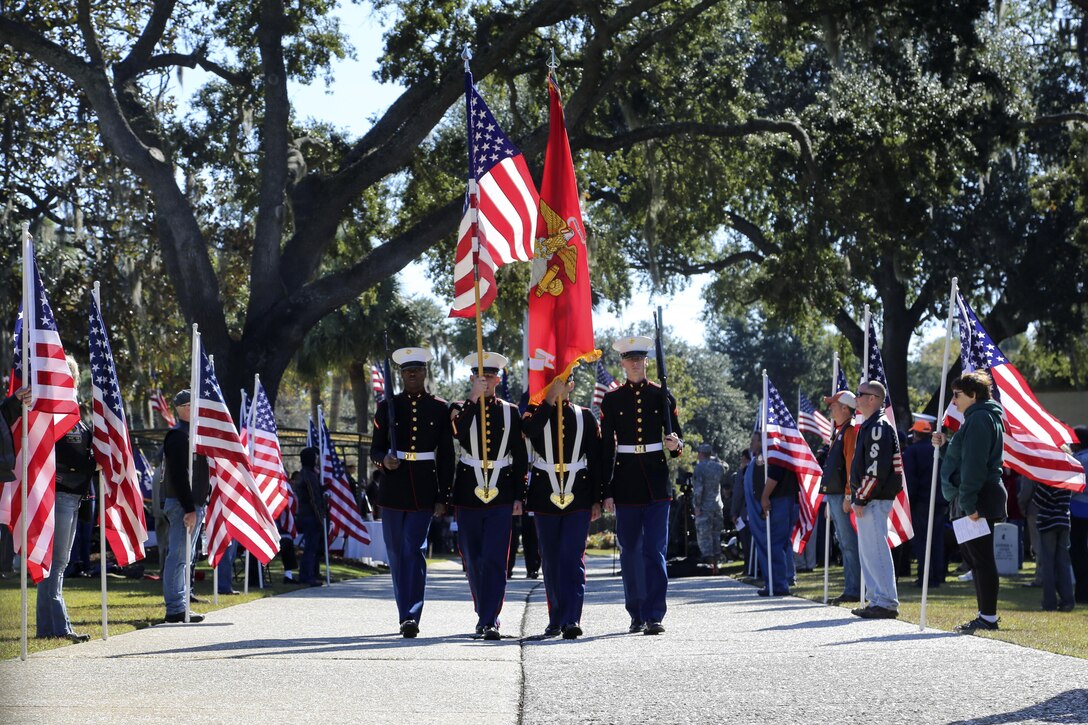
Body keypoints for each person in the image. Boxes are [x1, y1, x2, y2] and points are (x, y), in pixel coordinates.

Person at [370, 346, 454, 638]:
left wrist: (444, 496)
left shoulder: (439, 407)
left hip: (424, 488)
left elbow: (446, 456)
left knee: (413, 550)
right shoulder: (388, 406)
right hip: (394, 489)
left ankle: (411, 615)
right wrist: (384, 461)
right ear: (402, 375)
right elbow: (374, 448)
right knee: (396, 554)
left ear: (425, 372)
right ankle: (402, 611)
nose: (412, 375)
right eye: (407, 371)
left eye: (417, 370)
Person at [600, 335, 683, 635]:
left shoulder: (662, 396)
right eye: (629, 359)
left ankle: (654, 614)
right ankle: (636, 610)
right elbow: (607, 449)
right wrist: (605, 490)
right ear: (622, 363)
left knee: (654, 550)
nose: (635, 364)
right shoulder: (611, 400)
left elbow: (677, 444)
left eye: (639, 359)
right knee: (630, 551)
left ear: (647, 361)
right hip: (625, 482)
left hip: (657, 482)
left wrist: (675, 444)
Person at [451, 351, 528, 640]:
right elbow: (458, 433)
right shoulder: (459, 407)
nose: (486, 381)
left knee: (495, 558)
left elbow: (520, 457)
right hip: (469, 491)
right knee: (472, 558)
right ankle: (483, 610)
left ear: (499, 378)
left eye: (491, 376)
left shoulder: (511, 411)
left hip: (502, 491)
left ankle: (489, 618)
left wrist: (520, 495)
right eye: (480, 377)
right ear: (473, 378)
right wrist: (473, 397)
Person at [522, 376, 602, 639]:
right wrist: (547, 400)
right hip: (545, 493)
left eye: (564, 382)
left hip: (578, 493)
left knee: (572, 557)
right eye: (553, 382)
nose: (560, 386)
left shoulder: (585, 416)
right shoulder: (534, 412)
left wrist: (597, 499)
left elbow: (596, 458)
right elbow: (531, 433)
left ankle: (571, 618)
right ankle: (555, 617)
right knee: (552, 559)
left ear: (572, 385)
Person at [932, 371, 1006, 633]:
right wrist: (947, 444)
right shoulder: (979, 418)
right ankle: (985, 615)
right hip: (973, 496)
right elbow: (965, 460)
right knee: (975, 559)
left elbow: (974, 466)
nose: (953, 401)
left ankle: (988, 617)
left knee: (982, 559)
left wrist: (970, 504)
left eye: (957, 395)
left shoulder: (979, 419)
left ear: (973, 395)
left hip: (976, 498)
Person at [849, 380, 901, 620]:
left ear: (873, 399)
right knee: (869, 551)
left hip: (874, 498)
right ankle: (877, 599)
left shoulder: (878, 426)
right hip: (870, 497)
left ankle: (886, 602)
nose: (856, 398)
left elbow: (875, 469)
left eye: (860, 394)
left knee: (876, 549)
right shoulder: (870, 425)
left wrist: (860, 497)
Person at [161, 389, 211, 623]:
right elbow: (180, 476)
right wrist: (190, 508)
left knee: (186, 558)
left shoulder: (191, 436)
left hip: (191, 504)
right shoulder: (179, 436)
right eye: (195, 405)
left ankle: (181, 604)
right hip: (183, 505)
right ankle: (175, 608)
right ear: (185, 408)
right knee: (179, 556)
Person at [819, 390, 861, 604]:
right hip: (835, 495)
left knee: (849, 543)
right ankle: (851, 587)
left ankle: (854, 589)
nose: (830, 408)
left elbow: (851, 464)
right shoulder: (841, 430)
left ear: (846, 408)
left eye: (834, 405)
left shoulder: (850, 431)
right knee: (845, 543)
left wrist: (847, 494)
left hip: (843, 495)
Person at [750, 432, 799, 597]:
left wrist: (764, 497)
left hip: (779, 500)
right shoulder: (769, 450)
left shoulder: (777, 449)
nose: (752, 443)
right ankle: (775, 582)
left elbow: (775, 474)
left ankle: (778, 584)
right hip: (776, 500)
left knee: (775, 543)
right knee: (776, 543)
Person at [902, 419, 947, 588]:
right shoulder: (938, 449)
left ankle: (925, 577)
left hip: (920, 502)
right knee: (936, 540)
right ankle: (938, 575)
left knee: (922, 541)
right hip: (939, 501)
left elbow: (910, 480)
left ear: (916, 434)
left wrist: (909, 502)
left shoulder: (912, 452)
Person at [1032, 472, 1075, 612]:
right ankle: (1067, 601)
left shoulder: (1050, 477)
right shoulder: (1069, 477)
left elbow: (1037, 500)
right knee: (1063, 563)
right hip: (1063, 522)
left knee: (1048, 564)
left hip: (1048, 523)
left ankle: (1049, 603)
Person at [293, 447, 326, 586]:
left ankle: (311, 573)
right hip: (310, 515)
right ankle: (307, 575)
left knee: (312, 548)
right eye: (315, 457)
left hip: (305, 514)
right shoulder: (309, 476)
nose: (317, 460)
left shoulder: (304, 474)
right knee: (311, 549)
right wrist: (319, 517)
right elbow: (313, 498)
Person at [691, 444, 726, 571]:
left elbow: (698, 489)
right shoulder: (718, 467)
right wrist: (715, 459)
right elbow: (725, 467)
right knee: (716, 535)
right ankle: (716, 565)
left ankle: (710, 566)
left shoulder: (699, 468)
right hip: (717, 506)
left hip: (704, 507)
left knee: (705, 536)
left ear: (701, 453)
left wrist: (697, 506)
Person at [1069, 426, 1088, 604]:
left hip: (1078, 509)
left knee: (1079, 553)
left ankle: (1082, 594)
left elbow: (1074, 488)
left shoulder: (1079, 461)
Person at [730, 449, 752, 573]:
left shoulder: (743, 471)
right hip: (756, 512)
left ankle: (749, 567)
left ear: (744, 457)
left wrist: (734, 512)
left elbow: (738, 493)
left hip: (744, 512)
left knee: (746, 543)